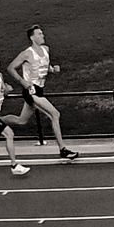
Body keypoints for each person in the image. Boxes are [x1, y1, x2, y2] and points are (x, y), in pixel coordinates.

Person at [10, 25, 81, 163]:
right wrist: (22, 81)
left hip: (39, 89)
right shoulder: (27, 53)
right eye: (39, 34)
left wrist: (53, 70)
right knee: (55, 114)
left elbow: (43, 66)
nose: (43, 36)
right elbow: (11, 68)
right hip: (31, 90)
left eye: (42, 33)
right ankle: (63, 150)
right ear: (32, 37)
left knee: (21, 120)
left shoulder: (46, 49)